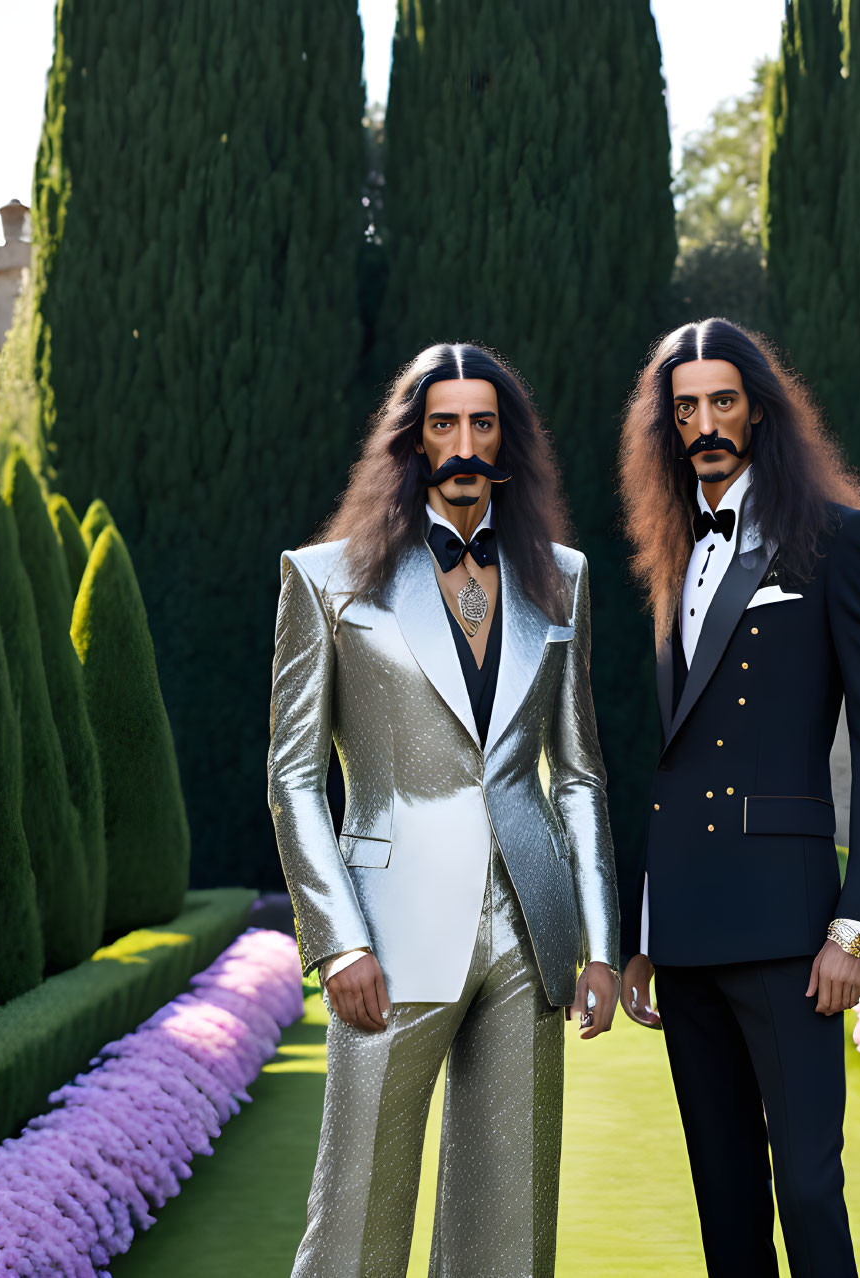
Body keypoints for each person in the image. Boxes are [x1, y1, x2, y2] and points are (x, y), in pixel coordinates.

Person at [267, 342, 619, 1277]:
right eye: (443, 425)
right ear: (413, 442)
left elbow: (578, 774)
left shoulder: (564, 578)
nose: (464, 444)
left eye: (482, 423)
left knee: (509, 1232)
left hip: (527, 931)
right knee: (353, 1227)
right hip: (385, 933)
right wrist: (336, 938)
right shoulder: (323, 578)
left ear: (508, 440)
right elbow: (293, 775)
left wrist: (601, 944)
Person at [615, 317, 860, 1277]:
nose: (704, 423)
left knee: (810, 1193)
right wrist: (640, 933)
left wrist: (856, 926)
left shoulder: (840, 540)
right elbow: (666, 762)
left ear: (760, 411)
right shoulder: (667, 554)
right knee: (725, 1201)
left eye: (723, 402)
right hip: (688, 932)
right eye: (685, 407)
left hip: (791, 931)